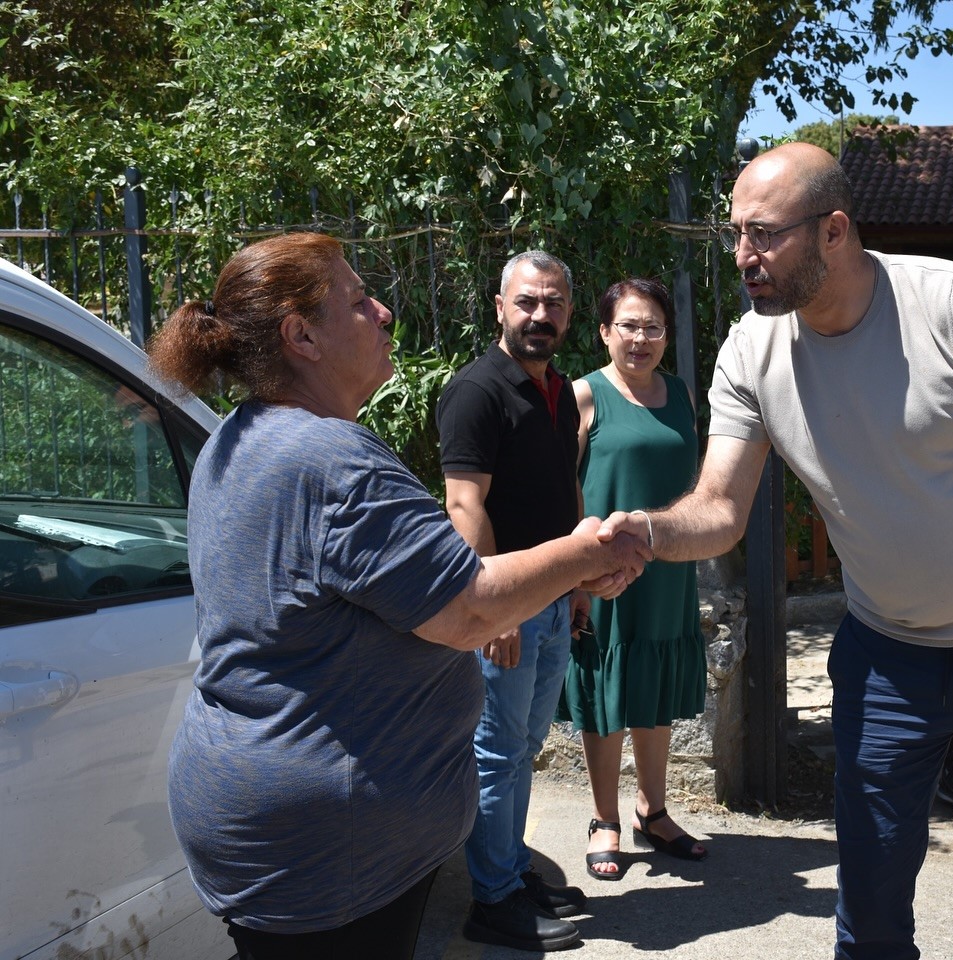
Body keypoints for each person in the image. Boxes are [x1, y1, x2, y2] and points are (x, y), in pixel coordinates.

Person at [597, 142, 953, 960]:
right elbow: (721, 508)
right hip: (888, 661)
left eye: (764, 234)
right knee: (869, 906)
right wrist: (649, 533)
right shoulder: (752, 350)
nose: (743, 255)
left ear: (833, 231)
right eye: (736, 234)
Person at [148, 233, 645, 960]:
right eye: (358, 301)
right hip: (330, 849)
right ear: (302, 337)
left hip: (286, 831)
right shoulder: (331, 461)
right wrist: (591, 551)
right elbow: (469, 607)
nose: (383, 312)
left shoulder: (239, 436)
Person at [436, 250, 591, 951]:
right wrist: (493, 607)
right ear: (500, 307)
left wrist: (577, 582)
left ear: (569, 312)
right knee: (498, 752)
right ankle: (493, 900)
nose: (540, 315)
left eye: (553, 302)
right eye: (527, 302)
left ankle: (510, 867)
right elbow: (463, 505)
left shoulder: (556, 390)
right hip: (507, 606)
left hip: (553, 602)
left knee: (524, 746)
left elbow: (565, 490)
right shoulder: (478, 391)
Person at [556, 277, 709, 880]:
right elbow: (560, 488)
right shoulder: (583, 396)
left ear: (667, 335)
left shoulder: (681, 394)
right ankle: (604, 818)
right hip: (603, 572)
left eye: (653, 327)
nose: (640, 339)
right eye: (628, 326)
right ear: (604, 332)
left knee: (654, 682)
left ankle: (653, 809)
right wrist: (573, 575)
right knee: (605, 683)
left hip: (668, 569)